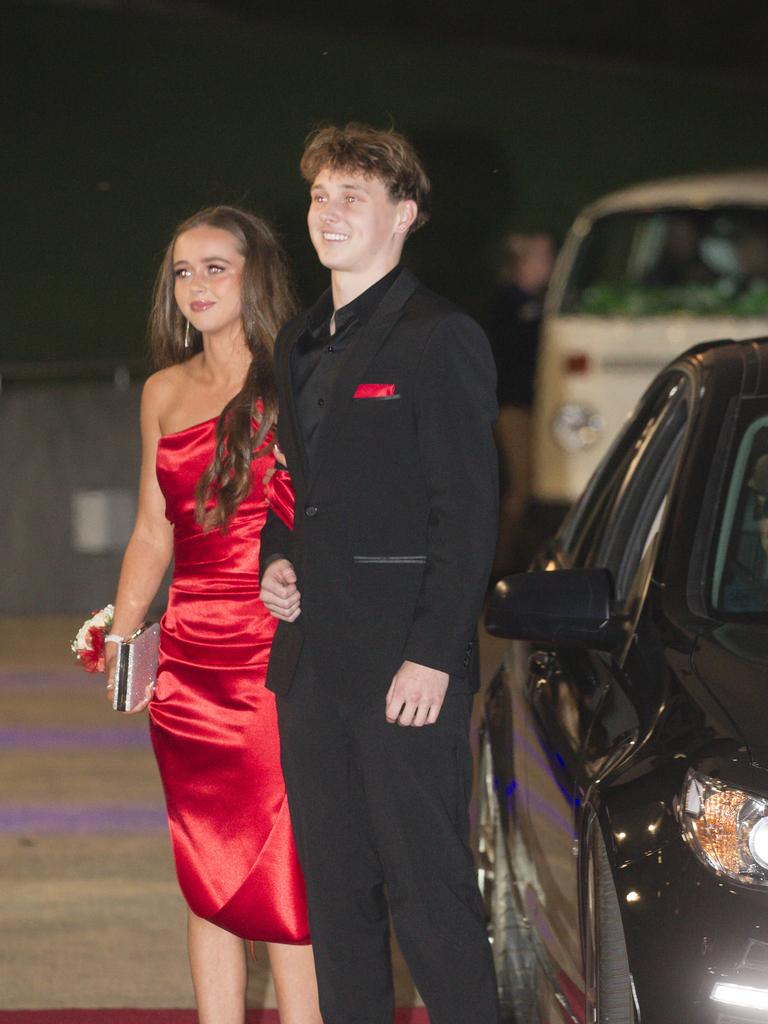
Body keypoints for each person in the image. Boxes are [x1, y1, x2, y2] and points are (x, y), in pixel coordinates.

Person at [259, 123, 501, 1024]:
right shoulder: (296, 341)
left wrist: (435, 655)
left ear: (405, 216)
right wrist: (276, 561)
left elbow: (469, 513)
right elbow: (296, 489)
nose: (329, 212)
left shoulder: (442, 337)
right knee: (338, 901)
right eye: (321, 195)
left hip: (407, 668)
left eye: (351, 197)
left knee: (430, 897)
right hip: (313, 662)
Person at [104, 206, 321, 1024]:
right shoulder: (162, 390)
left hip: (274, 654)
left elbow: (329, 513)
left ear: (254, 273)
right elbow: (151, 531)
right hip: (189, 666)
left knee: (282, 875)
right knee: (204, 872)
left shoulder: (297, 374)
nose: (195, 285)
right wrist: (124, 636)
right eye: (183, 271)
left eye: (214, 267)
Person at [485, 231, 555, 576]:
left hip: (539, 408)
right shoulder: (507, 306)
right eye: (542, 257)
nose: (550, 265)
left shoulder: (545, 305)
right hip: (513, 407)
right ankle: (498, 566)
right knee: (521, 488)